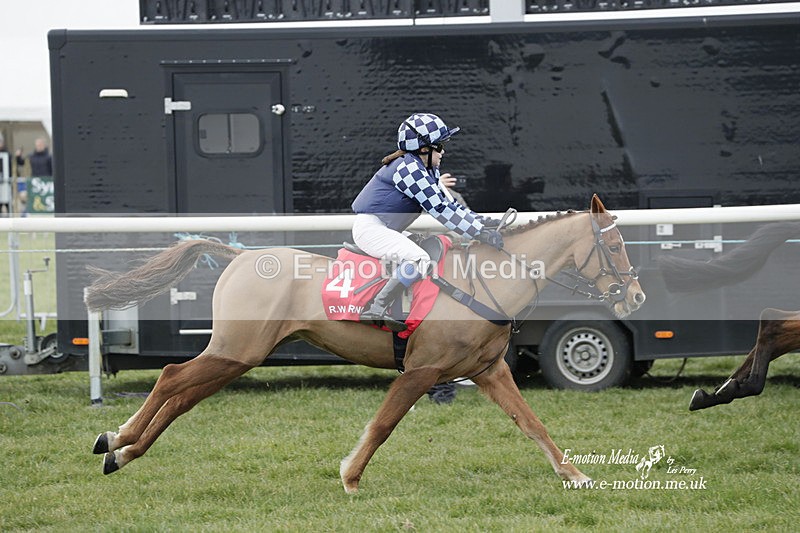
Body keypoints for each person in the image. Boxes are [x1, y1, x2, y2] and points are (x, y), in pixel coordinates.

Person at [351, 112, 504, 332]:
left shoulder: (424, 168)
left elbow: (452, 206)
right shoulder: (408, 169)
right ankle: (376, 308)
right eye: (439, 146)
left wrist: (483, 223)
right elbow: (440, 211)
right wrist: (480, 233)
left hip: (383, 227)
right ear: (424, 148)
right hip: (372, 230)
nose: (443, 152)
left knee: (430, 248)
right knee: (419, 259)